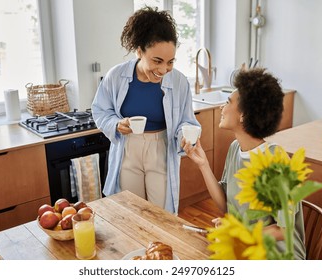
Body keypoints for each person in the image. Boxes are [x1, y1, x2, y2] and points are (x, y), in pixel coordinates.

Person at [182, 68, 306, 259]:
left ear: (244, 115)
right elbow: (226, 205)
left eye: (227, 103)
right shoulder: (234, 149)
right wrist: (203, 164)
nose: (221, 108)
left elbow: (284, 230)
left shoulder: (276, 161)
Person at [92, 6, 199, 214]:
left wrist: (187, 135)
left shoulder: (179, 82)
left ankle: (159, 248)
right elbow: (100, 110)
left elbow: (187, 120)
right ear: (139, 51)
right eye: (157, 61)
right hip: (127, 149)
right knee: (130, 212)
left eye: (170, 62)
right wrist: (116, 124)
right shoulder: (116, 76)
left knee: (160, 214)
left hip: (161, 148)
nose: (163, 70)